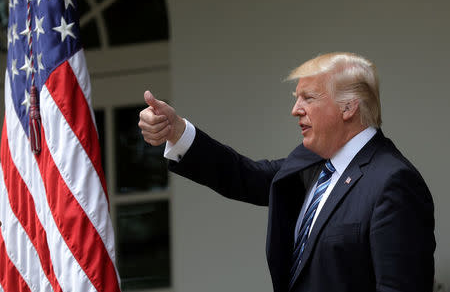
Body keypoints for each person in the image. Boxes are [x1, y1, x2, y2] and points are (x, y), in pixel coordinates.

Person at [138, 52, 435, 292]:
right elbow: (246, 176)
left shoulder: (393, 182)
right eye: (296, 97)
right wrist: (178, 132)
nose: (295, 109)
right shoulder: (313, 159)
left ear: (348, 108)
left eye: (308, 97)